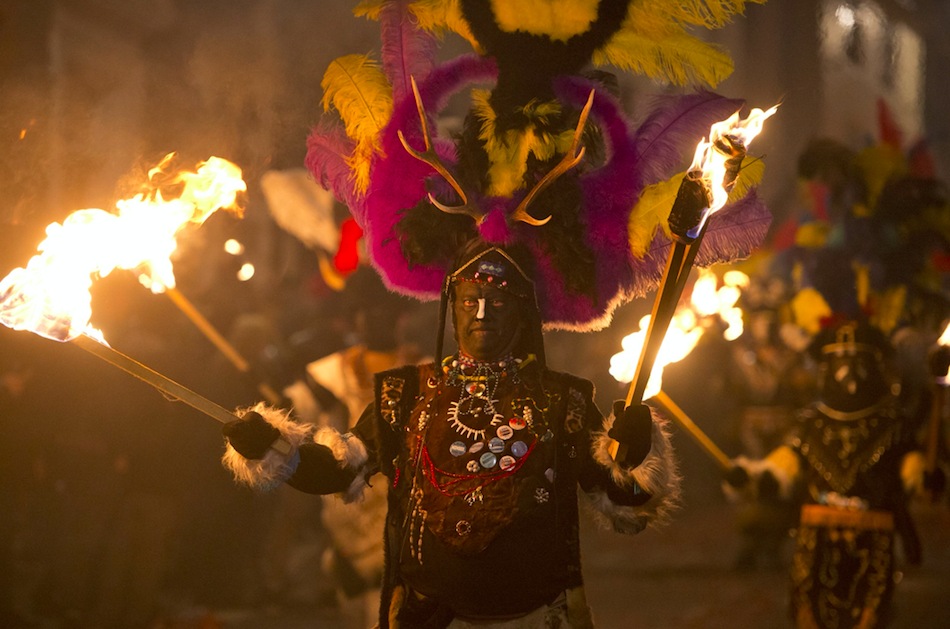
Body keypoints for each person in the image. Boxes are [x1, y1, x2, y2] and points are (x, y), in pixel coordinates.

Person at [220, 241, 679, 628]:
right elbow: (339, 473)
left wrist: (635, 452)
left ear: (521, 312)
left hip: (533, 615)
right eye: (469, 300)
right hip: (427, 615)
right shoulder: (404, 394)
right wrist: (273, 446)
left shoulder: (565, 402)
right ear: (452, 308)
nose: (482, 313)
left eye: (497, 302)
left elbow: (625, 507)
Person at [725, 320, 943, 629]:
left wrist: (925, 478)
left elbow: (914, 471)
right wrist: (755, 477)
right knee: (808, 610)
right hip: (816, 536)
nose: (849, 371)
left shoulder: (893, 424)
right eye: (841, 361)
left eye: (858, 361)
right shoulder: (810, 423)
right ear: (826, 368)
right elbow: (784, 464)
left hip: (874, 534)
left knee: (869, 613)